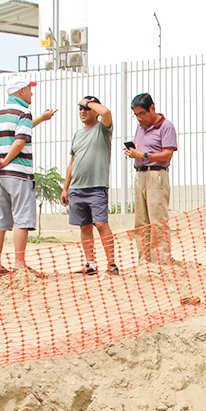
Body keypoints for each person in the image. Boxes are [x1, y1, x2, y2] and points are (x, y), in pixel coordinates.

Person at [0, 74, 56, 274]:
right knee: (22, 219)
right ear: (22, 91)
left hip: (0, 175)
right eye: (29, 89)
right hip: (18, 173)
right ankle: (19, 264)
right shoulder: (24, 112)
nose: (31, 93)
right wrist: (8, 159)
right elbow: (19, 141)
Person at [61, 95, 119, 275]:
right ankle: (90, 264)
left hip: (96, 187)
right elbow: (72, 162)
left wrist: (86, 101)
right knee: (84, 227)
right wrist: (65, 187)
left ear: (95, 110)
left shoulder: (103, 129)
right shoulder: (78, 135)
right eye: (80, 108)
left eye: (87, 108)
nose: (83, 111)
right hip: (77, 188)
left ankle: (111, 264)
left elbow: (107, 112)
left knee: (101, 224)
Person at [124, 92, 178, 264]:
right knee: (141, 221)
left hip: (157, 175)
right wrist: (134, 153)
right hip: (140, 175)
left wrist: (144, 155)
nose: (139, 118)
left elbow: (168, 154)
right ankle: (144, 260)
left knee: (158, 219)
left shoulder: (166, 127)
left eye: (142, 113)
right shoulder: (140, 127)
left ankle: (161, 260)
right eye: (136, 115)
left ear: (152, 108)